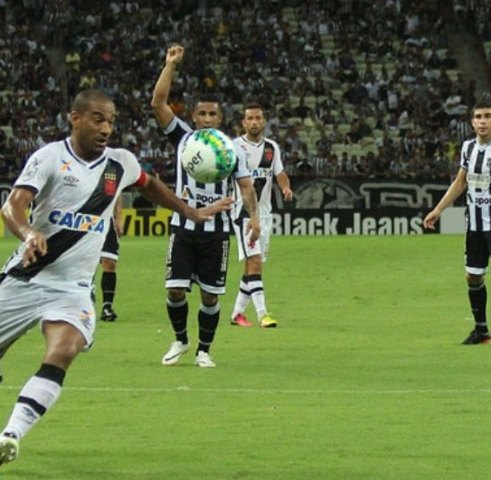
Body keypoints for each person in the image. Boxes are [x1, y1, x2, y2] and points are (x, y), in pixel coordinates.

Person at [0, 89, 232, 466]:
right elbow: (13, 205)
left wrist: (192, 212)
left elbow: (150, 185)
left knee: (64, 349)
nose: (106, 127)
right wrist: (28, 233)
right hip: (25, 278)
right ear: (74, 119)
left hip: (72, 289)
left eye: (110, 120)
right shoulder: (50, 157)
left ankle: (10, 434)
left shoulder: (119, 163)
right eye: (97, 119)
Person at [151, 45, 260, 368]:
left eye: (213, 114)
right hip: (183, 227)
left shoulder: (230, 149)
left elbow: (245, 186)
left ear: (220, 119)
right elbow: (157, 103)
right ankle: (181, 339)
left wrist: (254, 218)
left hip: (217, 232)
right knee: (175, 291)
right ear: (193, 116)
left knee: (210, 296)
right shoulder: (184, 138)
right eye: (202, 114)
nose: (207, 118)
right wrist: (170, 64)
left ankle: (204, 350)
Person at [424, 100, 491, 347]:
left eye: (487, 116)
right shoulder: (468, 147)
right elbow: (460, 182)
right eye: (478, 116)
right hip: (474, 224)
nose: (482, 121)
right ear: (472, 122)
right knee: (472, 276)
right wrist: (438, 210)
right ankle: (481, 331)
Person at [230, 104, 293, 328]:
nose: (254, 122)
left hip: (266, 214)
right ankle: (262, 314)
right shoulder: (235, 147)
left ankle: (237, 313)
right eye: (250, 118)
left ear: (264, 121)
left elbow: (280, 173)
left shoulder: (271, 148)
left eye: (258, 118)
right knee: (254, 262)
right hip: (243, 213)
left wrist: (285, 188)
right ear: (243, 123)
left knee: (253, 267)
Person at [98, 203, 122, 321]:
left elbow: (118, 191)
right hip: (82, 219)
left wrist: (118, 217)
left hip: (106, 219)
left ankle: (107, 307)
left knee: (109, 262)